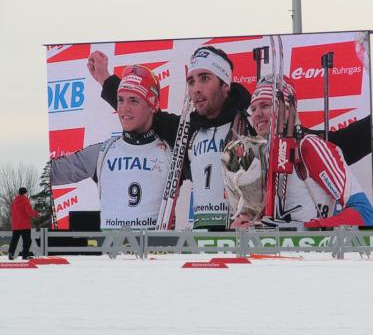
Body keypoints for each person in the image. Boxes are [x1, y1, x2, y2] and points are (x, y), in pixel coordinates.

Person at [87, 47, 253, 230]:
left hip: (240, 235)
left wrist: (250, 216)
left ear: (225, 85)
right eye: (191, 81)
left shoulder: (248, 125)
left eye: (205, 78)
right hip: (202, 237)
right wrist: (105, 78)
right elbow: (145, 113)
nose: (196, 89)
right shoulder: (187, 130)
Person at [224, 75, 373, 229]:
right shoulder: (257, 158)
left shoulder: (309, 146)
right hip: (269, 252)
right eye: (253, 109)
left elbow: (363, 213)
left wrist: (302, 228)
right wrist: (246, 223)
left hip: (313, 251)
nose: (257, 114)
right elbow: (265, 225)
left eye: (265, 105)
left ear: (288, 109)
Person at [51, 65, 172, 230]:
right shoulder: (102, 152)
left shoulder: (172, 152)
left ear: (152, 105)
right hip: (114, 253)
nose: (124, 108)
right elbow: (49, 173)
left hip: (156, 253)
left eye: (134, 100)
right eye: (120, 100)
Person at [8, 187, 39, 260]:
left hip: (16, 225)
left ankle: (11, 254)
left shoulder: (14, 201)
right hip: (24, 225)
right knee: (27, 240)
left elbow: (12, 212)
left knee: (14, 240)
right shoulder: (25, 200)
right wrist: (37, 214)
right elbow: (29, 211)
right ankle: (25, 255)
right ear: (25, 193)